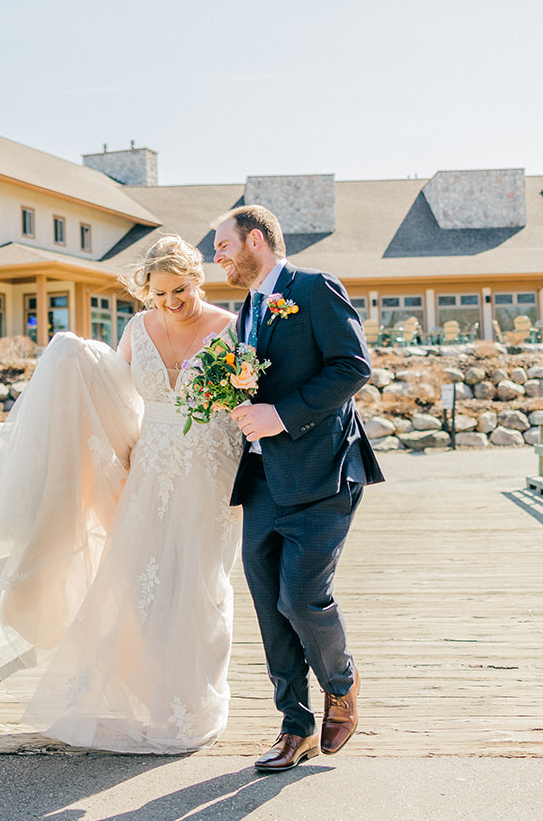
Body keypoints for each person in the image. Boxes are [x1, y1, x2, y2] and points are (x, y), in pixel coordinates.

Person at [0, 235, 242, 754]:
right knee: (146, 585)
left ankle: (199, 704)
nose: (170, 303)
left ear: (197, 279)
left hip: (210, 472)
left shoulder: (231, 330)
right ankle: (161, 701)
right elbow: (116, 393)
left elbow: (246, 400)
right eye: (159, 294)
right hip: (148, 471)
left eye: (180, 290)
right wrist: (74, 361)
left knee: (199, 584)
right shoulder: (137, 329)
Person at [213, 205, 385, 773]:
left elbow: (351, 366)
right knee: (269, 606)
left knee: (301, 597)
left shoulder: (313, 290)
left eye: (222, 246)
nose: (217, 257)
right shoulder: (247, 311)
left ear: (255, 240)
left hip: (322, 473)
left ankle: (342, 681)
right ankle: (295, 727)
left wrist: (280, 415)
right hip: (261, 480)